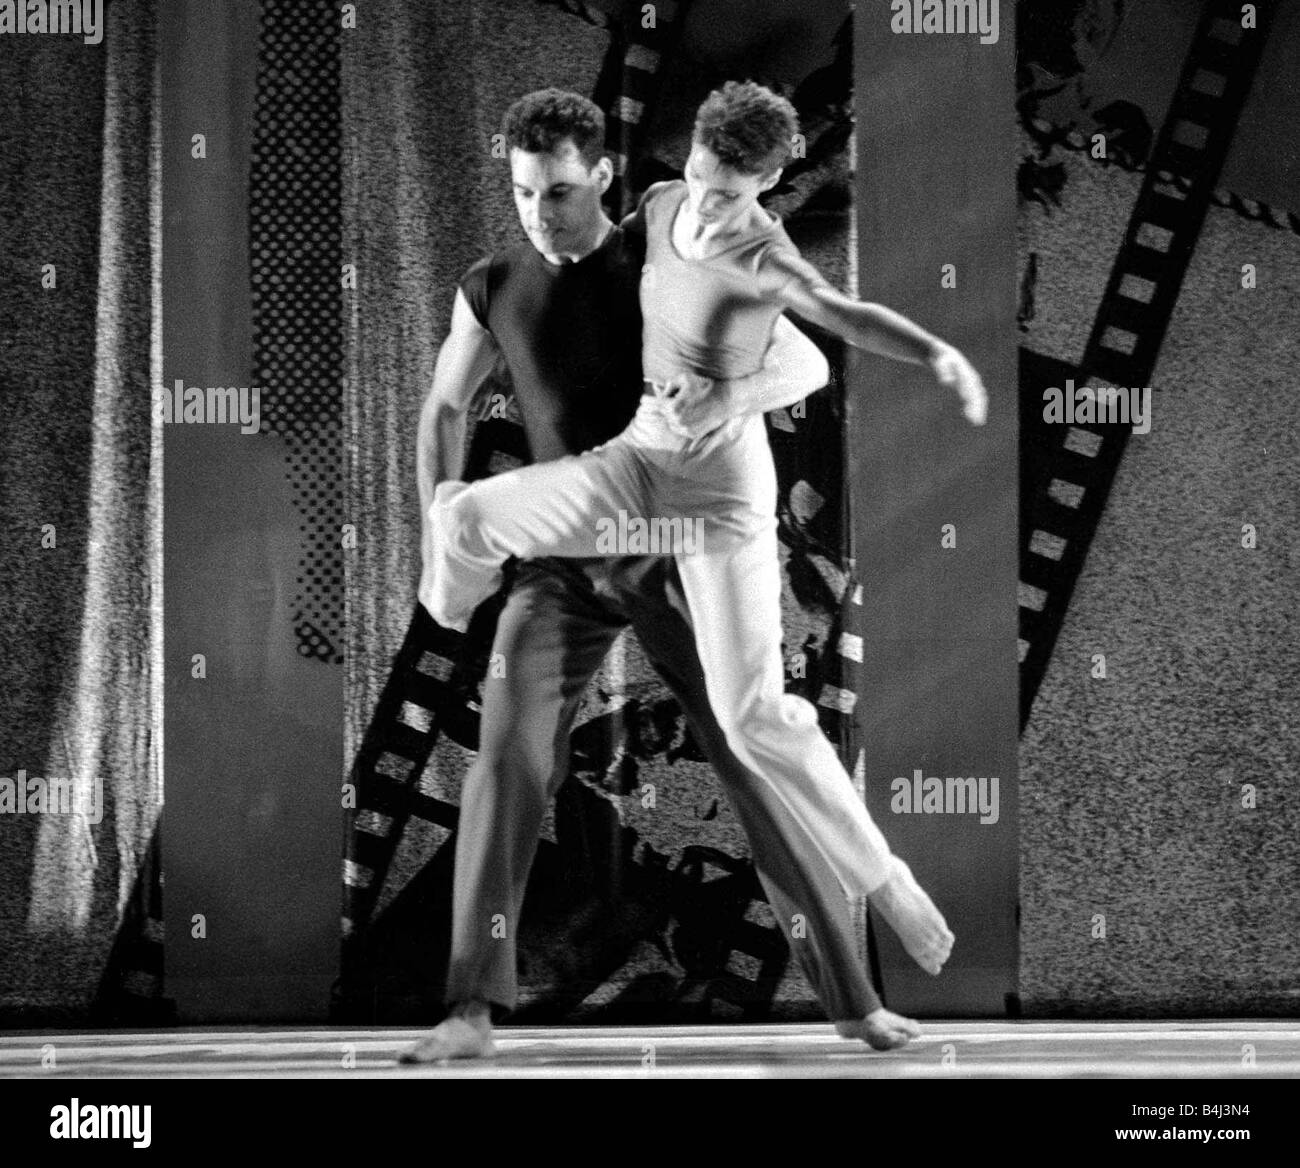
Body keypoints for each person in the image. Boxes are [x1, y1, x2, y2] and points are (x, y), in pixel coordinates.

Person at [404, 88, 952, 1065]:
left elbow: (793, 346)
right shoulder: (489, 285)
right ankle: (469, 1009)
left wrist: (742, 388)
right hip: (566, 563)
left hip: (672, 548)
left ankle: (855, 1002)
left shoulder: (661, 248)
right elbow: (445, 407)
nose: (542, 212)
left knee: (753, 760)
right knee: (507, 757)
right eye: (526, 193)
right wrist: (435, 518)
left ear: (606, 179)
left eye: (563, 193)